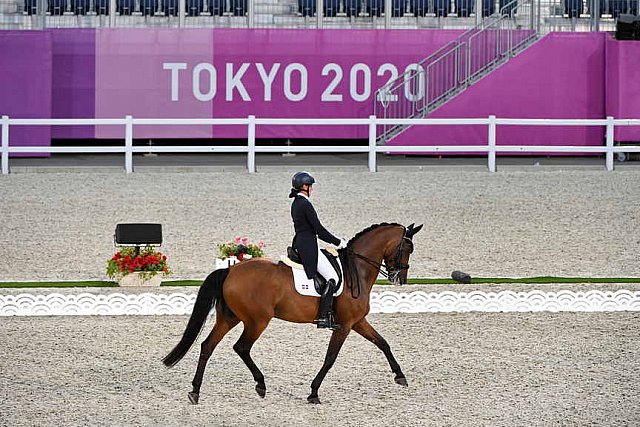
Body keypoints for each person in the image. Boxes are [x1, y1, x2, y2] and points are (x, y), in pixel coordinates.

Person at [289, 171, 347, 330]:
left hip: (302, 243)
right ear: (304, 187)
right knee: (333, 278)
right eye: (310, 186)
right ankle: (323, 317)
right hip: (308, 245)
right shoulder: (304, 204)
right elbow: (319, 230)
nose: (312, 189)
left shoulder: (296, 202)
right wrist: (339, 242)